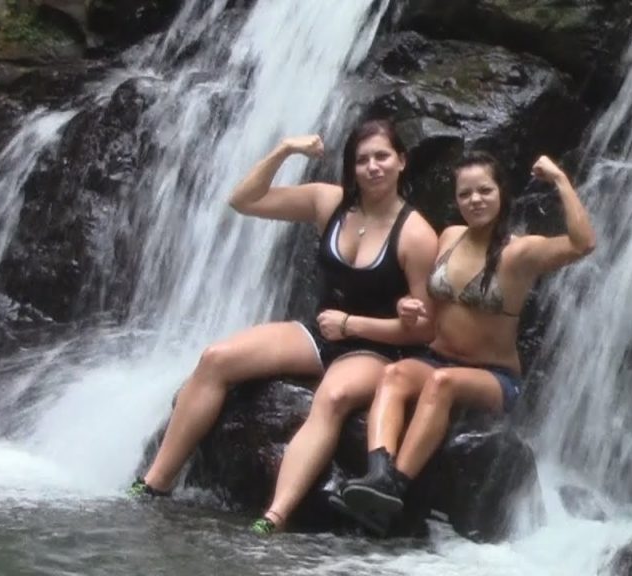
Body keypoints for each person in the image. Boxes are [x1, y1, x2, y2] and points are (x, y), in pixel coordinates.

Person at [129, 119, 438, 536]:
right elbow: (244, 200)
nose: (373, 167)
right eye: (362, 160)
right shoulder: (329, 204)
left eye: (382, 157)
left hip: (378, 346)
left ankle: (274, 515)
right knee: (216, 359)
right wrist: (285, 150)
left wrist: (352, 324)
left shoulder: (416, 235)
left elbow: (423, 333)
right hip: (321, 333)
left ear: (401, 161)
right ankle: (155, 483)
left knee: (332, 397)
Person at [337, 151, 595, 534]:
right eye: (465, 194)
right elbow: (434, 310)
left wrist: (559, 178)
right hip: (436, 357)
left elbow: (583, 244)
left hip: (493, 377)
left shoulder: (520, 252)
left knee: (442, 385)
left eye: (485, 191)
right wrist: (411, 310)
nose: (475, 200)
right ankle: (378, 473)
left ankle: (396, 488)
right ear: (456, 200)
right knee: (393, 374)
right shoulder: (450, 237)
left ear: (501, 194)